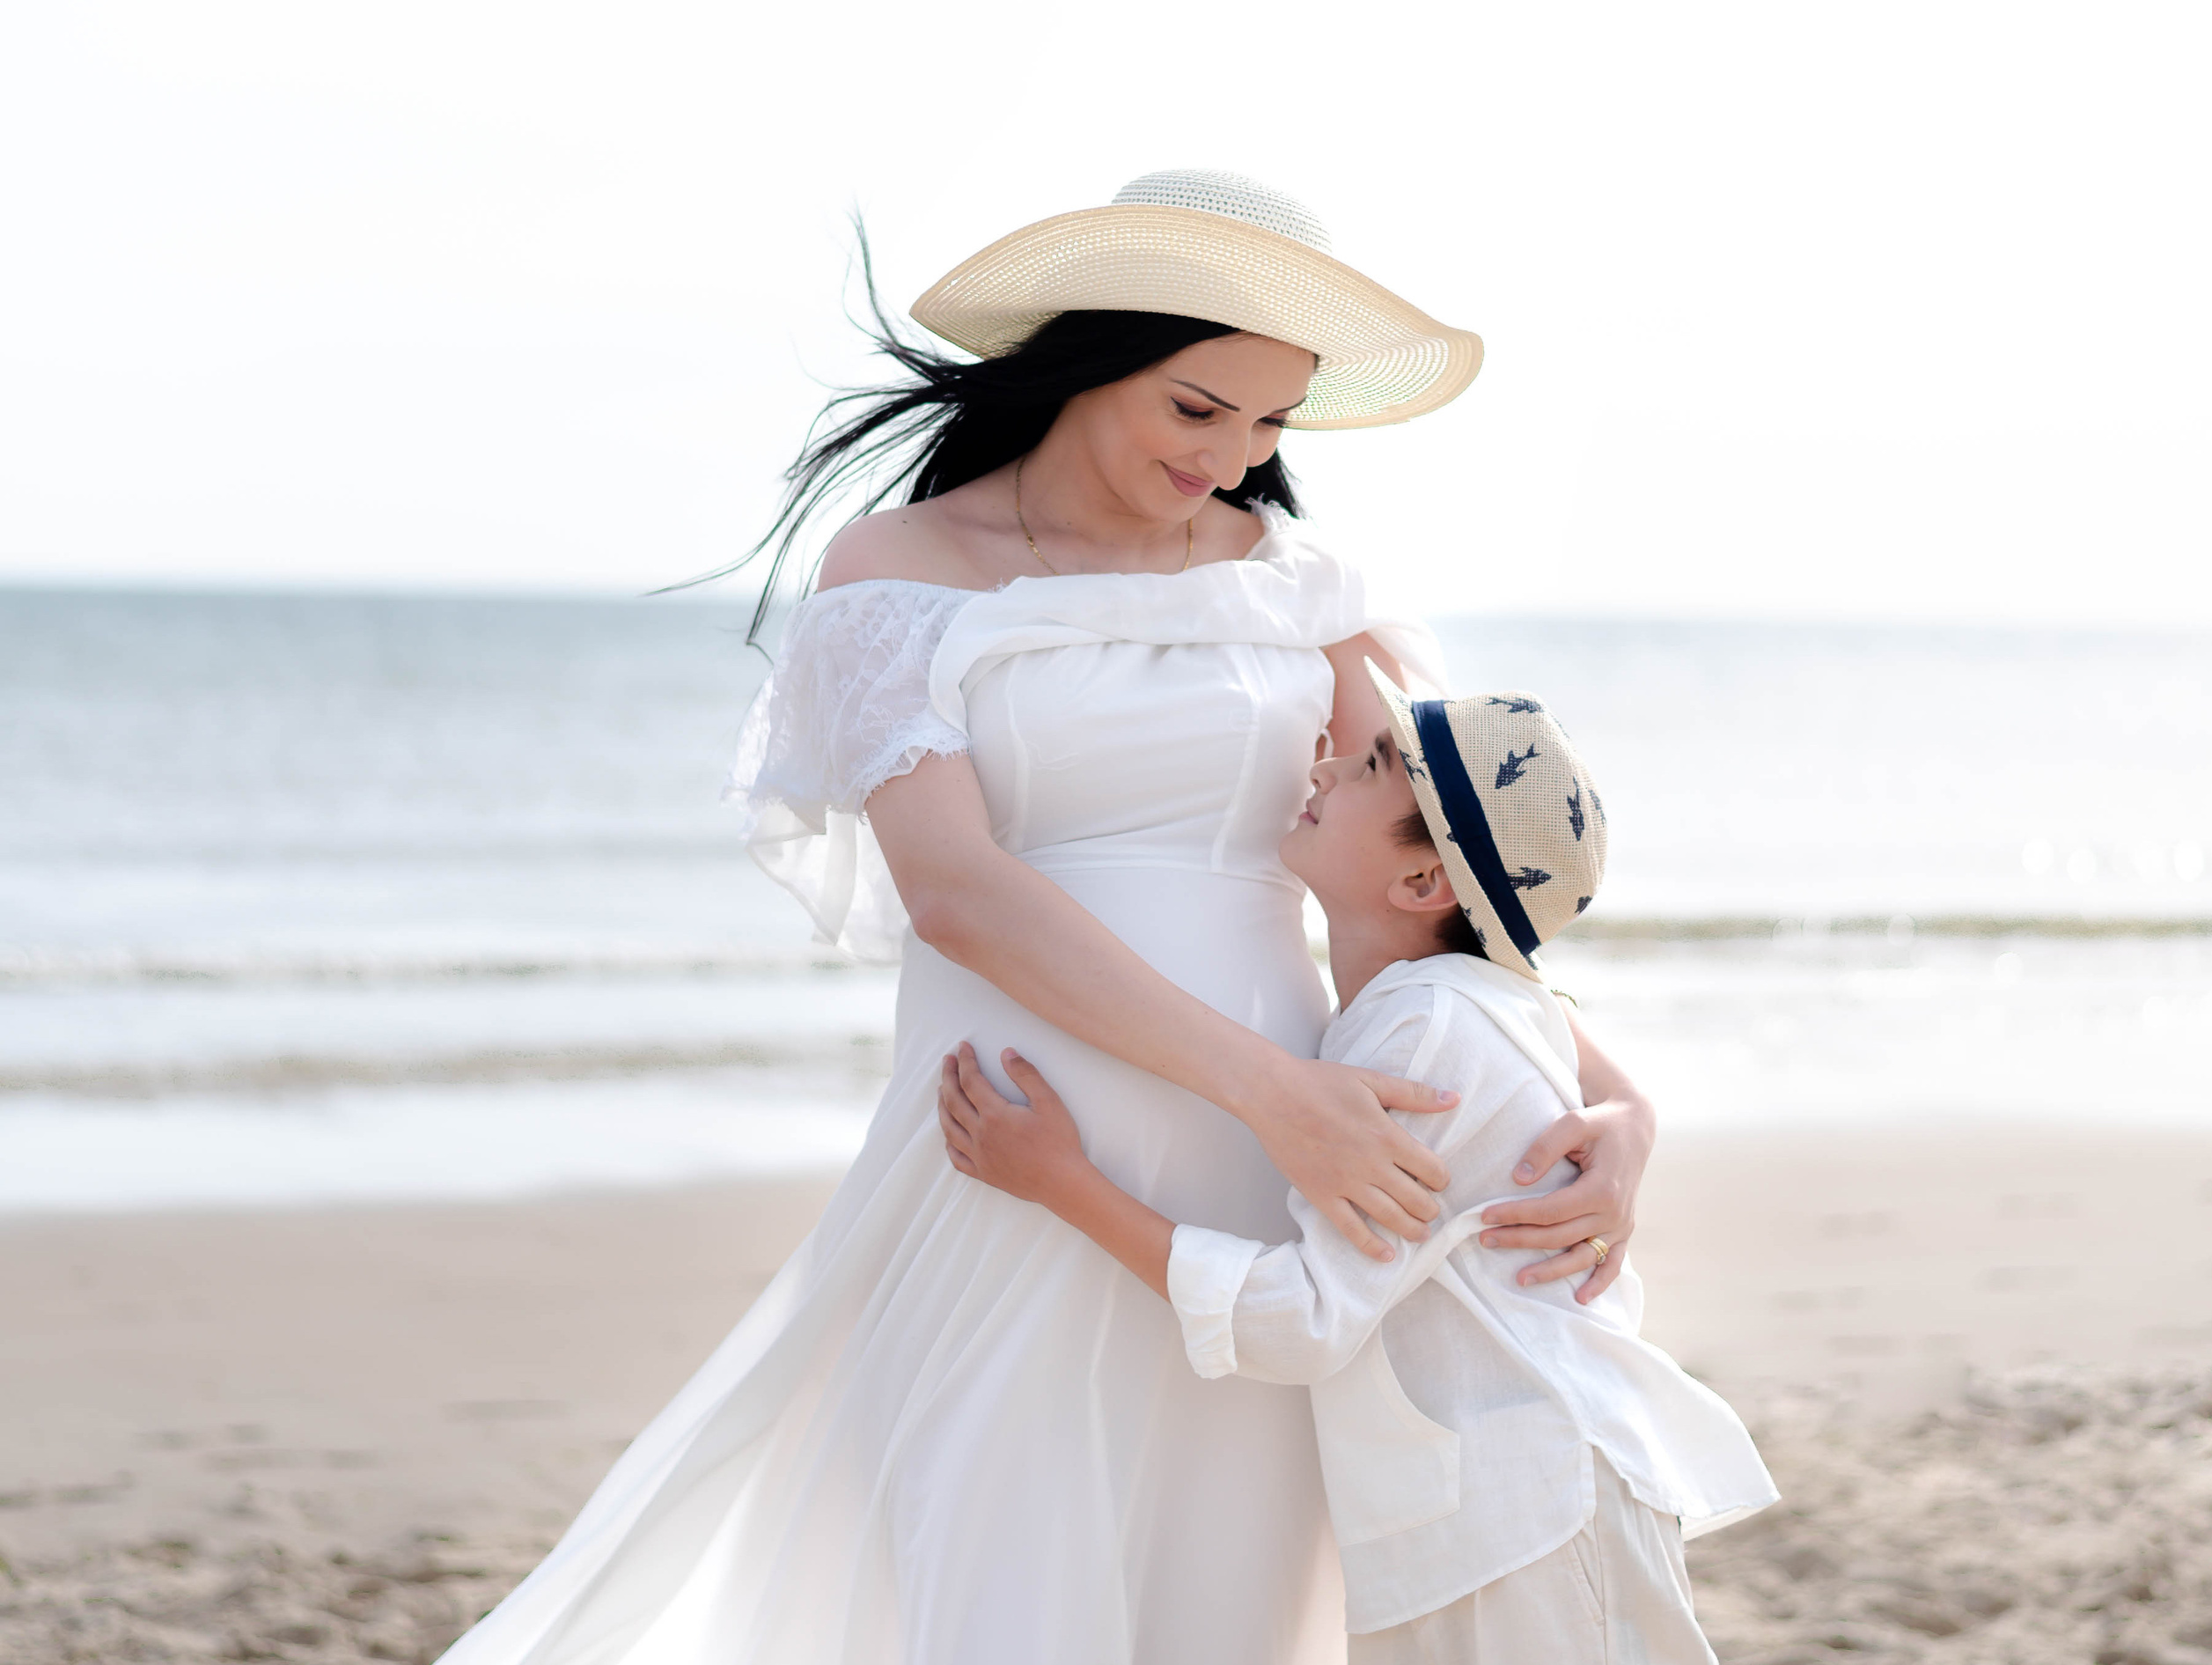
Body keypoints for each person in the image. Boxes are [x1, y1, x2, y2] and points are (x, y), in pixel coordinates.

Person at [437, 170, 1664, 1665]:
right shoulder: (899, 572)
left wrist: (1618, 1104)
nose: (1233, 459)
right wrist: (1281, 1096)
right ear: (1089, 362)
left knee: (1229, 1592)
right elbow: (957, 893)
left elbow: (1442, 876)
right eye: (1196, 408)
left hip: (1266, 1177)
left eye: (1273, 425)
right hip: (1023, 1138)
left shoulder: (1299, 587)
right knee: (987, 1564)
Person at [939, 667, 1778, 1664]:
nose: (1326, 762)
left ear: (1423, 883)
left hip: (1527, 1516)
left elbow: (1300, 1322)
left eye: (1374, 763)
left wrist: (1062, 1184)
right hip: (1504, 1512)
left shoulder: (1421, 1035)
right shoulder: (1449, 1010)